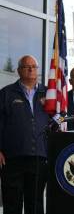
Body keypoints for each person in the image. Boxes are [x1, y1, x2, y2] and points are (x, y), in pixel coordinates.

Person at [0, 55, 49, 214]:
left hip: (39, 158)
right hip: (11, 158)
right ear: (18, 70)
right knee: (12, 203)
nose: (30, 69)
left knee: (35, 205)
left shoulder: (48, 94)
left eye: (34, 67)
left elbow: (59, 119)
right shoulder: (6, 93)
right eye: (26, 66)